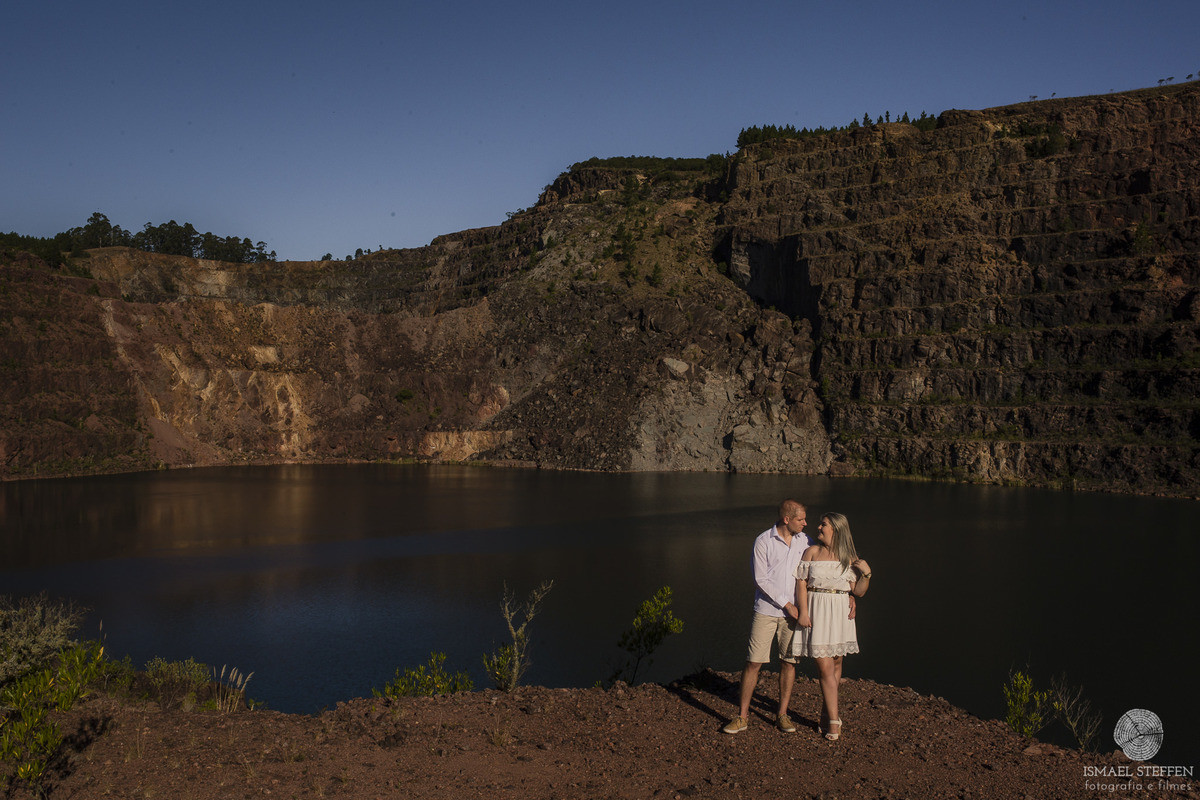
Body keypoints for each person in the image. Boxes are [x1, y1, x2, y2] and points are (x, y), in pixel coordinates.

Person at [722, 499, 810, 734]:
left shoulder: (805, 541)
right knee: (754, 662)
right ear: (787, 519)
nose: (805, 523)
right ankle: (742, 717)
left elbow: (819, 567)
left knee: (789, 662)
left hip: (793, 614)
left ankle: (782, 714)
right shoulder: (763, 541)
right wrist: (788, 605)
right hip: (767, 611)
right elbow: (761, 580)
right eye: (801, 519)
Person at [790, 512, 871, 741]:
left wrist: (867, 573)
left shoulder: (848, 556)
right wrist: (803, 612)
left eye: (823, 524)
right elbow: (802, 583)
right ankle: (835, 722)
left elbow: (858, 591)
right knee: (825, 668)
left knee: (836, 665)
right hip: (817, 611)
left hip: (840, 613)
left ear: (835, 529)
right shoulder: (812, 552)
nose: (819, 527)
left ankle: (826, 715)